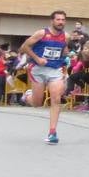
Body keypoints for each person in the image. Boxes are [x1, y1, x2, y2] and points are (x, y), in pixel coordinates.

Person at [20, 10, 69, 144]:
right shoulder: (41, 33)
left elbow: (64, 50)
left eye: (63, 20)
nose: (61, 22)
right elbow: (24, 47)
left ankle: (52, 132)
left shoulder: (66, 36)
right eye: (58, 19)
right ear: (52, 21)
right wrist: (37, 58)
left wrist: (67, 55)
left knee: (56, 99)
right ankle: (27, 96)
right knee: (37, 103)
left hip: (54, 70)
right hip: (38, 70)